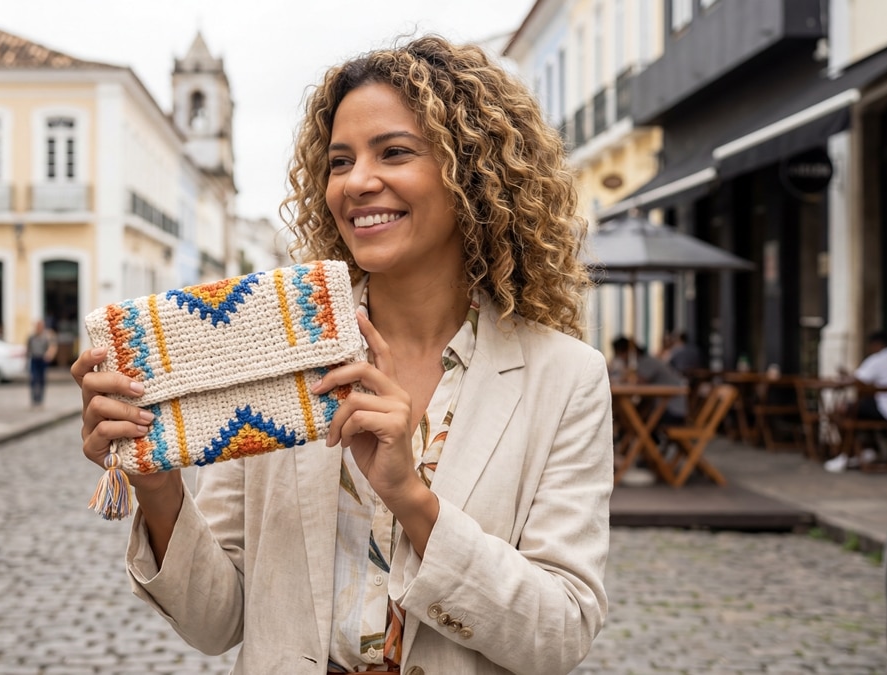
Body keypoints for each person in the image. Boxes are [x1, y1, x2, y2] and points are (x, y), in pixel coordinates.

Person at [72, 35, 612, 675]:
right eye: (339, 161)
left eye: (395, 152)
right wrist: (158, 488)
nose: (357, 182)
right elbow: (216, 622)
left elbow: (559, 634)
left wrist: (410, 498)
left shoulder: (566, 378)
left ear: (471, 172)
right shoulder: (274, 349)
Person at [824, 331, 887, 472]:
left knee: (843, 409)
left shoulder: (878, 359)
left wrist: (846, 376)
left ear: (876, 345)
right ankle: (867, 450)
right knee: (858, 408)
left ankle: (851, 453)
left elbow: (858, 379)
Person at [610, 336, 688, 427]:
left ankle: (636, 436)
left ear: (626, 353)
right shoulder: (646, 361)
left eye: (619, 354)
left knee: (633, 416)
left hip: (671, 410)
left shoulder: (647, 362)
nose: (620, 358)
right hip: (666, 408)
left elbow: (637, 383)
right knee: (634, 413)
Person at [27, 318, 58, 408]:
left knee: (41, 380)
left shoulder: (46, 337)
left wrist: (49, 355)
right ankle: (34, 400)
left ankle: (40, 400)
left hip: (42, 359)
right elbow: (28, 347)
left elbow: (51, 346)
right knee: (33, 379)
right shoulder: (31, 337)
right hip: (34, 358)